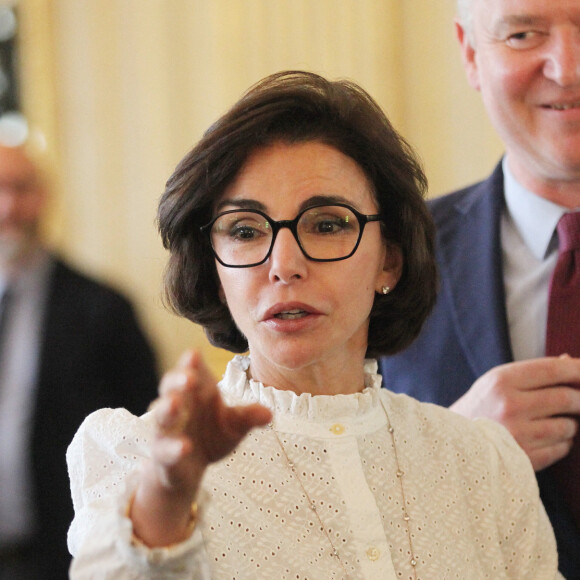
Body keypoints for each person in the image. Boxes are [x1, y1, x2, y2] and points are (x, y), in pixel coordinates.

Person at [67, 71, 561, 579]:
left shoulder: (483, 462)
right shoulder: (133, 456)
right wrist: (168, 493)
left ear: (389, 261)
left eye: (326, 225)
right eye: (244, 230)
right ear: (214, 273)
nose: (283, 263)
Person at [379, 0, 580, 576]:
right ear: (471, 53)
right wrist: (455, 454)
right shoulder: (381, 259)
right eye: (522, 34)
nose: (567, 68)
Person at [0, 141, 159, 579]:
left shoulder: (103, 308)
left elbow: (147, 433)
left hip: (65, 558)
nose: (7, 206)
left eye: (19, 188)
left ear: (44, 196)